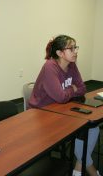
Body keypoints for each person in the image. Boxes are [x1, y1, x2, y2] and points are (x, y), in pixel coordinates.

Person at [28, 35, 100, 176]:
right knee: (81, 127)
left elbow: (82, 88)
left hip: (62, 109)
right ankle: (88, 169)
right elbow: (61, 97)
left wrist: (70, 91)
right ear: (60, 53)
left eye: (75, 47)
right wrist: (71, 89)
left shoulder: (71, 65)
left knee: (93, 127)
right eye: (71, 48)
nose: (75, 51)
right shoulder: (50, 67)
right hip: (42, 114)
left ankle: (79, 167)